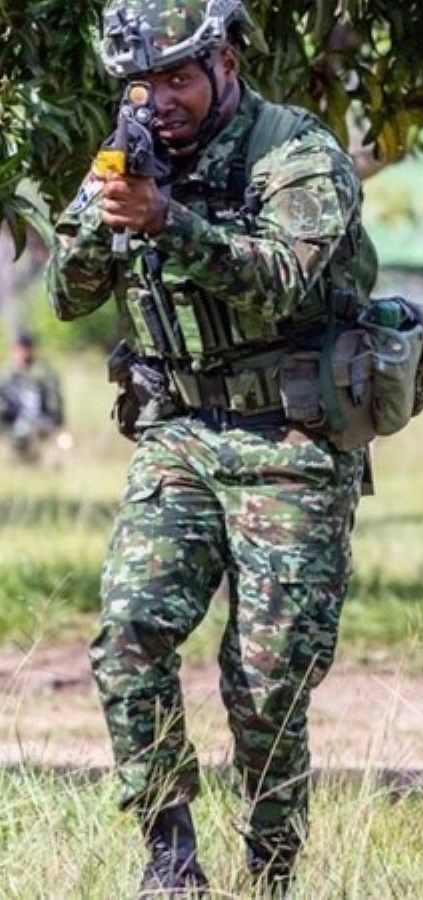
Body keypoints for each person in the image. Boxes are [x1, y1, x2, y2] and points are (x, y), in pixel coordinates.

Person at [46, 0, 377, 891]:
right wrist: (106, 210)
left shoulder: (296, 153)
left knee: (267, 681)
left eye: (178, 79)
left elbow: (282, 281)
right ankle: (170, 852)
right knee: (129, 634)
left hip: (292, 438)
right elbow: (67, 296)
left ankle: (272, 867)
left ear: (226, 62)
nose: (159, 102)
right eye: (140, 86)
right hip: (179, 434)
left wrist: (168, 221)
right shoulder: (131, 152)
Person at [0, 330, 65, 462]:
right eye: (18, 349)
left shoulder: (42, 373)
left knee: (26, 433)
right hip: (12, 420)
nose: (21, 353)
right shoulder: (7, 374)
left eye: (24, 348)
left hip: (39, 420)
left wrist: (55, 423)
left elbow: (54, 404)